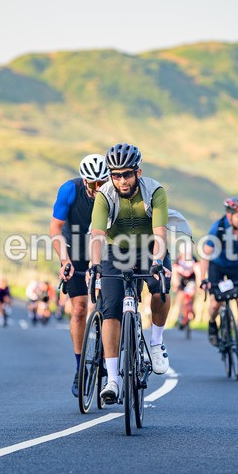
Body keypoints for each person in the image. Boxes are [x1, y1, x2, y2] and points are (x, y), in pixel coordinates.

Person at [89, 143, 179, 404]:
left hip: (150, 247)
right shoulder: (104, 195)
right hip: (116, 251)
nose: (121, 180)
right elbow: (97, 235)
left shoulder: (155, 191)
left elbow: (160, 231)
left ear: (138, 172)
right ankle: (113, 379)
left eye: (126, 174)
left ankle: (155, 343)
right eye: (115, 175)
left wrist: (158, 261)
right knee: (111, 309)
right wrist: (95, 264)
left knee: (161, 289)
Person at [51, 153, 110, 397]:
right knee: (78, 309)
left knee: (108, 306)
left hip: (103, 247)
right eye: (94, 184)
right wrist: (65, 261)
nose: (98, 189)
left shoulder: (113, 193)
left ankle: (110, 358)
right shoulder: (69, 190)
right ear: (85, 181)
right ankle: (80, 369)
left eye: (102, 183)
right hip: (74, 248)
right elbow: (55, 228)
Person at [199, 197, 238, 360]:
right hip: (217, 266)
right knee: (215, 303)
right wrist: (203, 279)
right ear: (229, 216)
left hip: (236, 267)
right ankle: (212, 323)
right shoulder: (217, 229)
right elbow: (205, 255)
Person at [172, 248, 200, 330]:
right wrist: (175, 285)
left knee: (192, 293)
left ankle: (192, 307)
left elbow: (198, 273)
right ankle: (181, 315)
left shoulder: (194, 260)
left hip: (191, 279)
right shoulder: (178, 261)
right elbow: (174, 274)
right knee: (180, 296)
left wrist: (198, 285)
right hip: (182, 280)